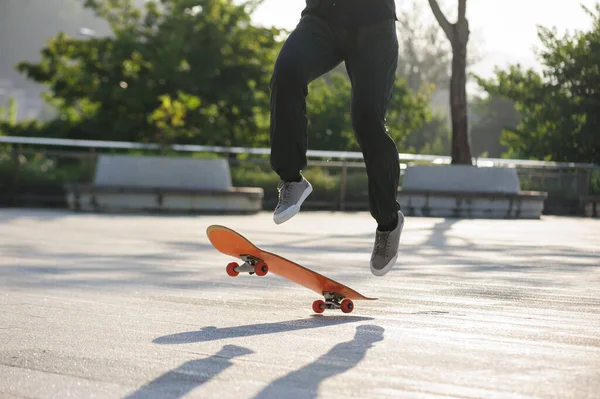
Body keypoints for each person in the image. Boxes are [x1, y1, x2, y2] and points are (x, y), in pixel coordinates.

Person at [268, 0, 405, 277]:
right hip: (322, 18)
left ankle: (388, 222)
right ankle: (291, 179)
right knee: (287, 74)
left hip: (373, 24)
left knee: (367, 120)